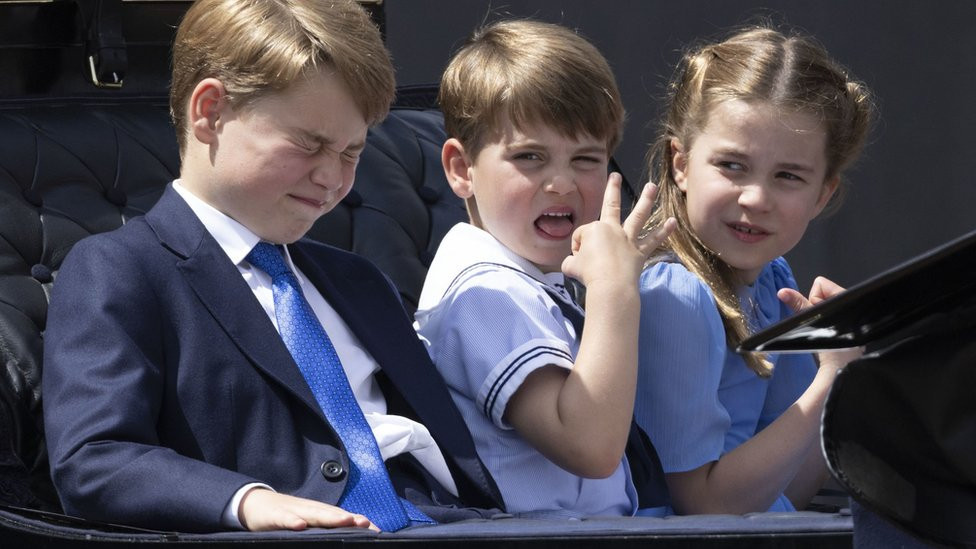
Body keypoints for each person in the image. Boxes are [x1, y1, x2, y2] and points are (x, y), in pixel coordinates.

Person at [42, 0, 501, 534]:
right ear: (210, 113)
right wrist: (247, 501)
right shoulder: (120, 271)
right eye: (309, 144)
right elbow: (94, 456)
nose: (332, 178)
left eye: (352, 153)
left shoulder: (360, 283)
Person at [414, 19, 675, 518]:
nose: (561, 183)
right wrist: (615, 291)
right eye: (530, 157)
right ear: (461, 169)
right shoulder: (483, 294)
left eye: (586, 159)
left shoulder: (524, 279)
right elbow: (590, 447)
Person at [633, 26, 874, 514]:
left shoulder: (772, 281)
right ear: (680, 164)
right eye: (732, 165)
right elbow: (701, 508)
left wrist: (843, 376)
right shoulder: (674, 295)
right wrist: (829, 381)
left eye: (788, 176)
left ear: (822, 194)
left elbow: (786, 490)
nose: (756, 198)